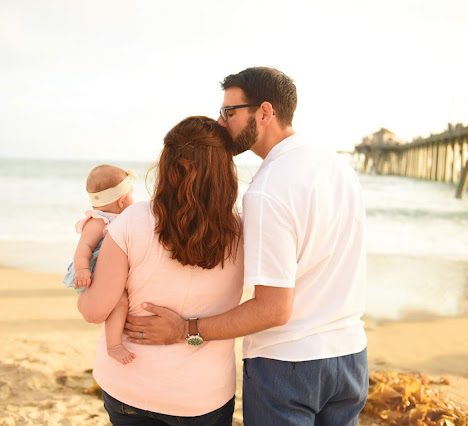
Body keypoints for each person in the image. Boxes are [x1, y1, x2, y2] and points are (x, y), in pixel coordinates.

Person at [125, 67, 369, 425]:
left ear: (265, 112)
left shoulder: (268, 189)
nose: (221, 123)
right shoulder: (338, 167)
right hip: (350, 357)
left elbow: (273, 310)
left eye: (230, 112)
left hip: (289, 365)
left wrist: (186, 330)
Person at [78, 116, 244, 425]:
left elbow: (94, 310)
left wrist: (82, 291)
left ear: (166, 164)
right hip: (202, 395)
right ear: (223, 171)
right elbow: (266, 308)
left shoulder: (131, 220)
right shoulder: (244, 231)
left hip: (129, 386)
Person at [63, 165, 135, 364]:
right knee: (119, 302)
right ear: (122, 201)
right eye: (131, 195)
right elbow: (83, 248)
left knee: (121, 302)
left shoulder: (122, 220)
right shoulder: (99, 221)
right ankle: (113, 346)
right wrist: (83, 270)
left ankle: (114, 343)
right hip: (92, 275)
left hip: (109, 274)